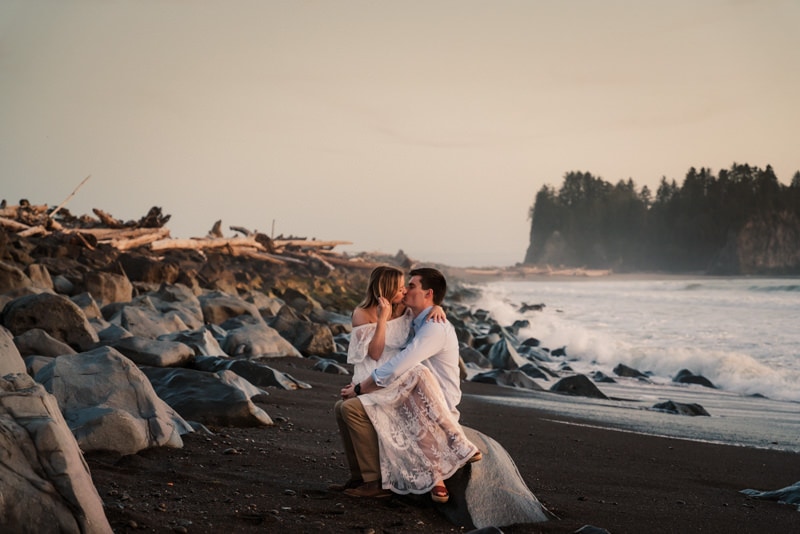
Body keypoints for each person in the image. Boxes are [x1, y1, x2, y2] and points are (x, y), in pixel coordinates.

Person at [334, 267, 479, 503]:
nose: (405, 290)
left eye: (409, 286)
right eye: (403, 286)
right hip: (399, 385)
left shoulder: (430, 323)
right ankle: (359, 477)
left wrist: (361, 388)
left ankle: (376, 481)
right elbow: (381, 356)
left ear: (427, 293)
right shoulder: (407, 313)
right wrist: (386, 317)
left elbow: (399, 364)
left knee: (351, 408)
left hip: (421, 394)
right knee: (340, 407)